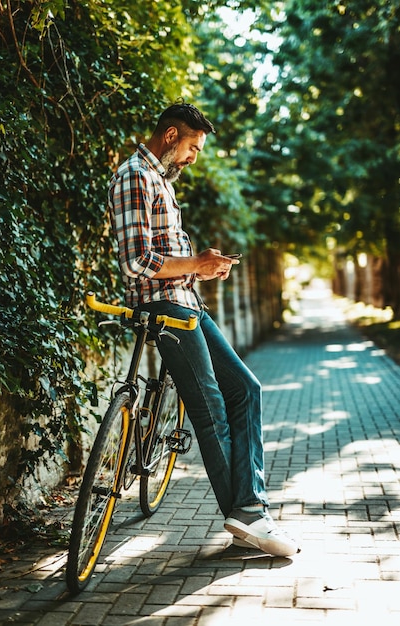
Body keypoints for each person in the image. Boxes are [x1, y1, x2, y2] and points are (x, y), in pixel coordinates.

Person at [108, 102, 300, 557]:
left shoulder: (158, 180)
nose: (194, 157)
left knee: (245, 388)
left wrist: (203, 267)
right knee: (211, 404)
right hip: (164, 307)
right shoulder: (135, 175)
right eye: (193, 146)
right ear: (172, 136)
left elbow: (166, 256)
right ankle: (249, 514)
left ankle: (249, 506)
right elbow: (137, 264)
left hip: (186, 301)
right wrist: (195, 263)